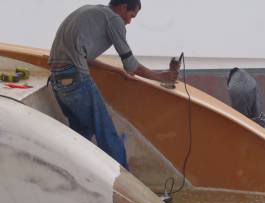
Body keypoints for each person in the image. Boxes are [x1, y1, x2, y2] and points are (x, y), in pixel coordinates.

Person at [48, 0, 179, 169]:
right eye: (131, 16)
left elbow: (84, 57)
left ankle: (78, 177)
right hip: (76, 78)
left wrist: (115, 70)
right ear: (123, 7)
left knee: (81, 135)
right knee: (107, 134)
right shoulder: (114, 19)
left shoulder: (91, 10)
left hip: (59, 80)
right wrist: (162, 77)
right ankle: (126, 184)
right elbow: (131, 65)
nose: (129, 22)